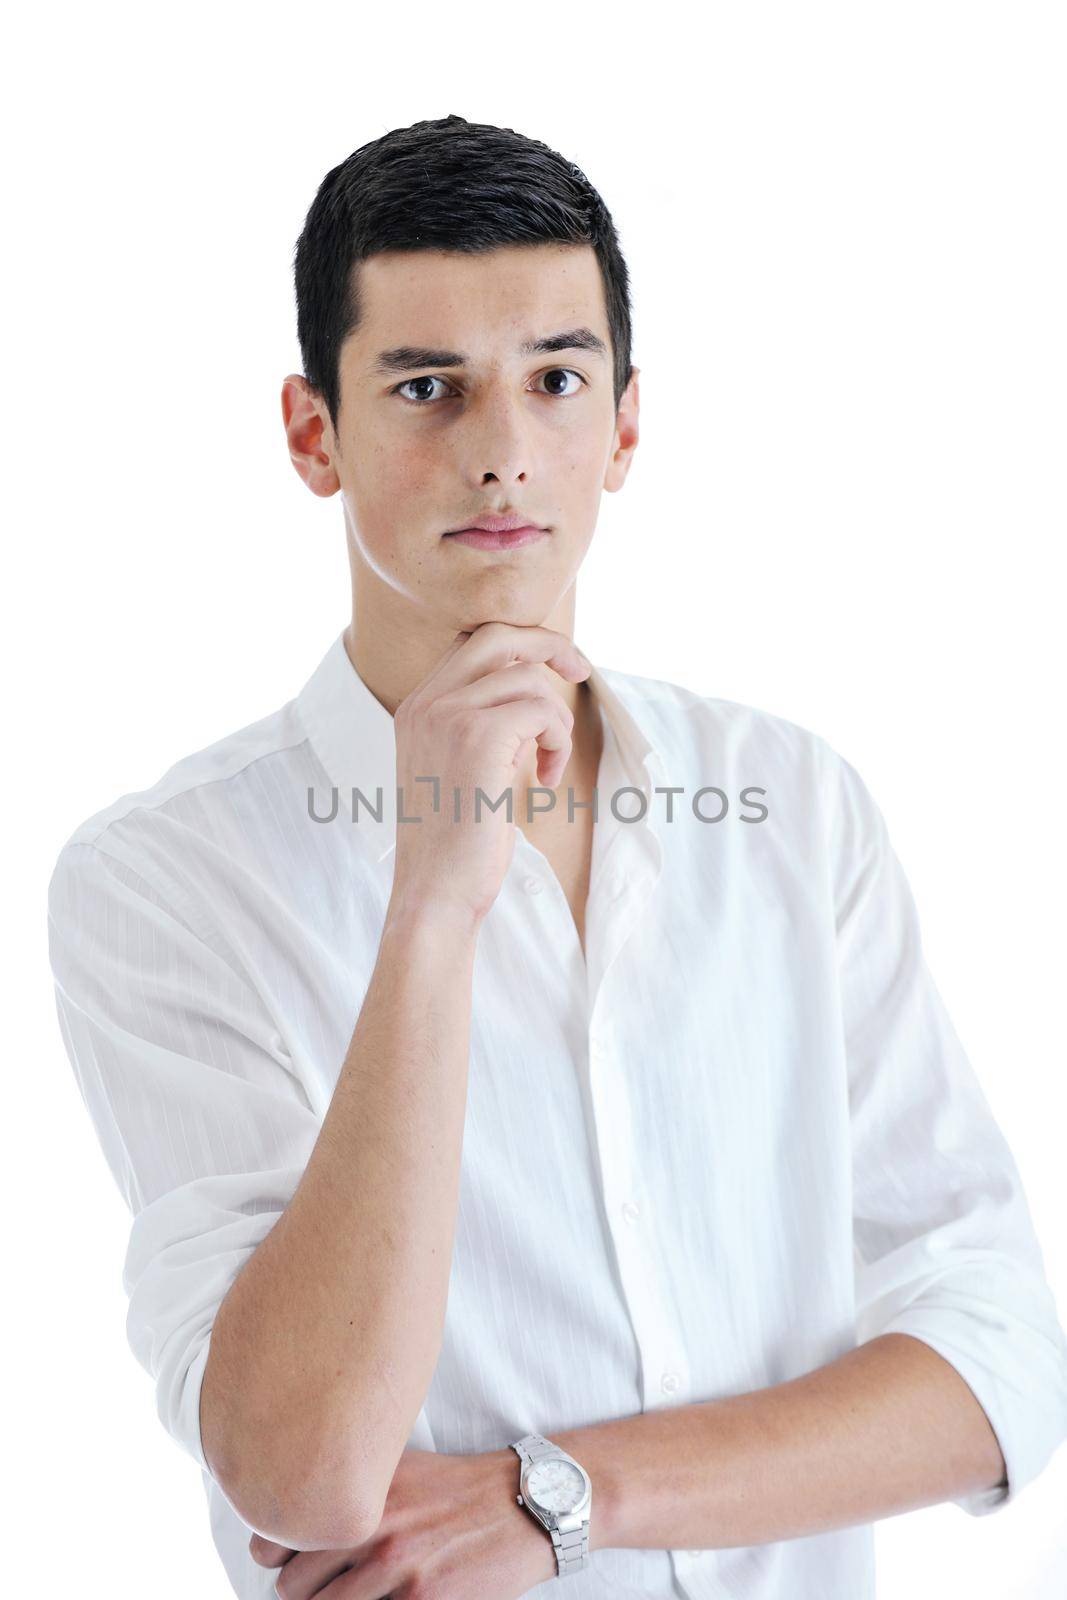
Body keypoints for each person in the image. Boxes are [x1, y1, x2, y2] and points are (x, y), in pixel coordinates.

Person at [46, 113, 1067, 1600]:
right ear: (311, 433)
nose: (506, 453)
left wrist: (562, 1498)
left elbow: (1002, 1358)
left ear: (627, 426)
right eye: (425, 388)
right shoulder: (164, 881)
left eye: (556, 380)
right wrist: (432, 904)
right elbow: (307, 1473)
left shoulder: (787, 802)